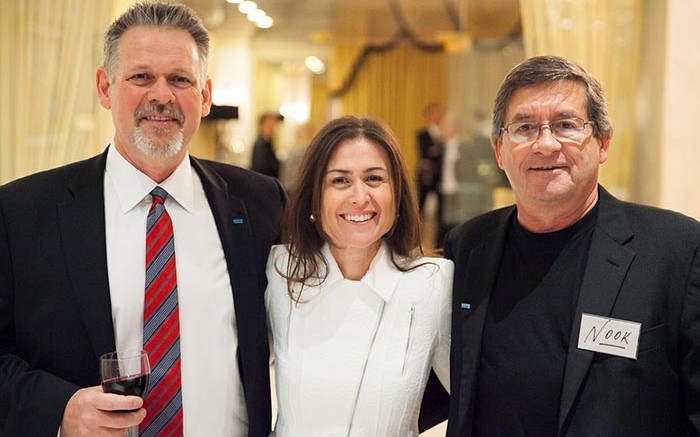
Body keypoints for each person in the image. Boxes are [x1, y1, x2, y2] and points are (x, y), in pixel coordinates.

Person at [0, 2, 285, 436]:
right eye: (141, 77)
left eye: (180, 79)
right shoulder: (22, 213)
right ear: (104, 87)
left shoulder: (261, 204)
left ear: (205, 95)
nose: (161, 96)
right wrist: (60, 411)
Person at [445, 55, 700, 437]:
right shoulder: (468, 246)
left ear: (603, 143)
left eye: (566, 125)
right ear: (499, 150)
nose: (546, 144)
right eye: (525, 128)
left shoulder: (677, 251)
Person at [265, 116, 453, 436]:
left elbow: (477, 399)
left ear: (397, 196)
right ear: (314, 196)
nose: (360, 197)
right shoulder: (279, 270)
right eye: (340, 180)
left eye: (374, 178)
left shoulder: (433, 283)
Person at [416, 103, 445, 245]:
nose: (436, 116)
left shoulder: (442, 133)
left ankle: (439, 239)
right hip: (426, 175)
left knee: (441, 208)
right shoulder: (422, 133)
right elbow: (425, 153)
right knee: (420, 204)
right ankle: (415, 235)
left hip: (440, 176)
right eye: (434, 113)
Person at [251, 112, 282, 178]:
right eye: (269, 125)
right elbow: (262, 167)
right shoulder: (260, 144)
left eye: (274, 124)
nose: (272, 128)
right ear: (261, 126)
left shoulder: (267, 142)